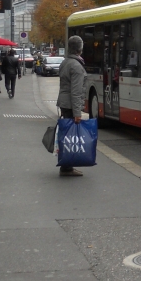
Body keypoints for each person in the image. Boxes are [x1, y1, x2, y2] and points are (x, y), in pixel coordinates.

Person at [56, 35, 87, 177]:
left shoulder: (65, 62)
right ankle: (67, 167)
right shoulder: (76, 65)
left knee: (66, 136)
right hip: (70, 105)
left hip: (64, 103)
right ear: (80, 49)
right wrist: (77, 112)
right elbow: (76, 91)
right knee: (70, 137)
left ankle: (65, 164)